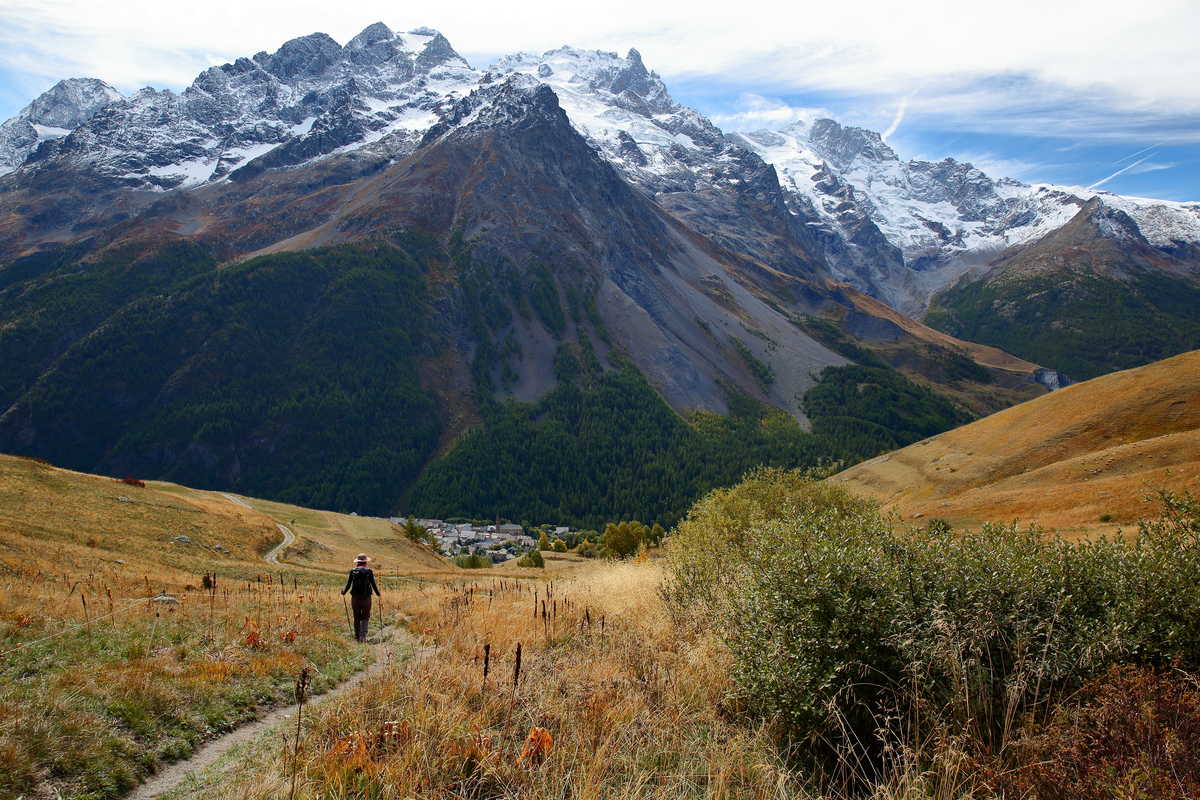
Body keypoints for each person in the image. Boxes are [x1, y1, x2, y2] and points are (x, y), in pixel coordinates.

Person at [341, 553, 381, 642]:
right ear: (365, 562)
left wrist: (343, 592)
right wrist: (378, 594)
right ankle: (363, 636)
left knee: (356, 617)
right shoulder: (369, 571)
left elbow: (348, 585)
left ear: (358, 562)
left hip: (355, 598)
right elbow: (373, 584)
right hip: (366, 598)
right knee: (365, 616)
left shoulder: (353, 571)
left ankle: (357, 636)